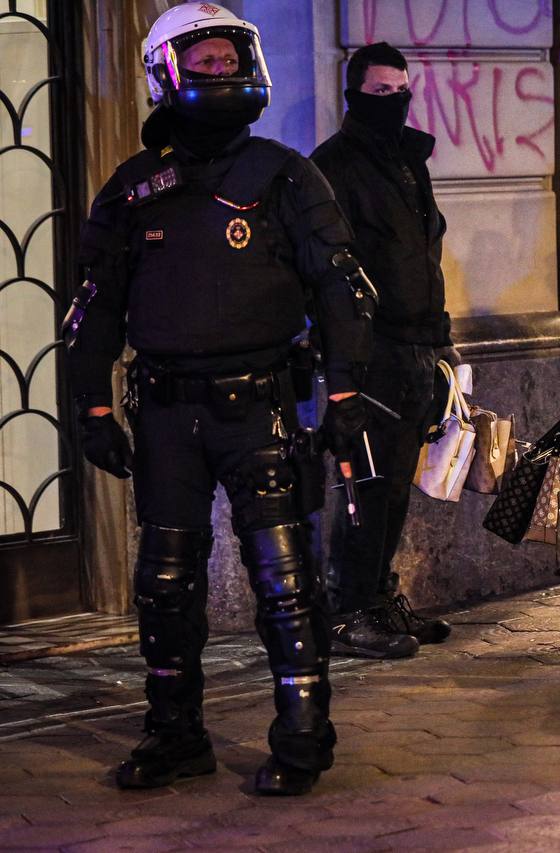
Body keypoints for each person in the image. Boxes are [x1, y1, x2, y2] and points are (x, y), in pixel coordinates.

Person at [66, 3, 373, 795]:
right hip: (167, 412)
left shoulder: (284, 174)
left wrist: (344, 390)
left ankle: (303, 737)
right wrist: (92, 407)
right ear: (168, 73)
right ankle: (175, 733)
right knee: (165, 582)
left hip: (260, 409)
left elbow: (340, 288)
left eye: (231, 57)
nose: (222, 72)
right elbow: (95, 303)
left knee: (284, 578)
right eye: (204, 62)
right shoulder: (134, 189)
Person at [311, 42, 455, 659]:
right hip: (372, 353)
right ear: (354, 97)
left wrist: (442, 342)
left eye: (402, 91)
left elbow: (424, 255)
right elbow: (330, 273)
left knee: (396, 485)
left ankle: (376, 594)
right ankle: (347, 609)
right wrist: (346, 358)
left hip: (417, 344)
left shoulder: (406, 161)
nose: (395, 103)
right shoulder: (334, 167)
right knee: (364, 487)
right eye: (381, 94)